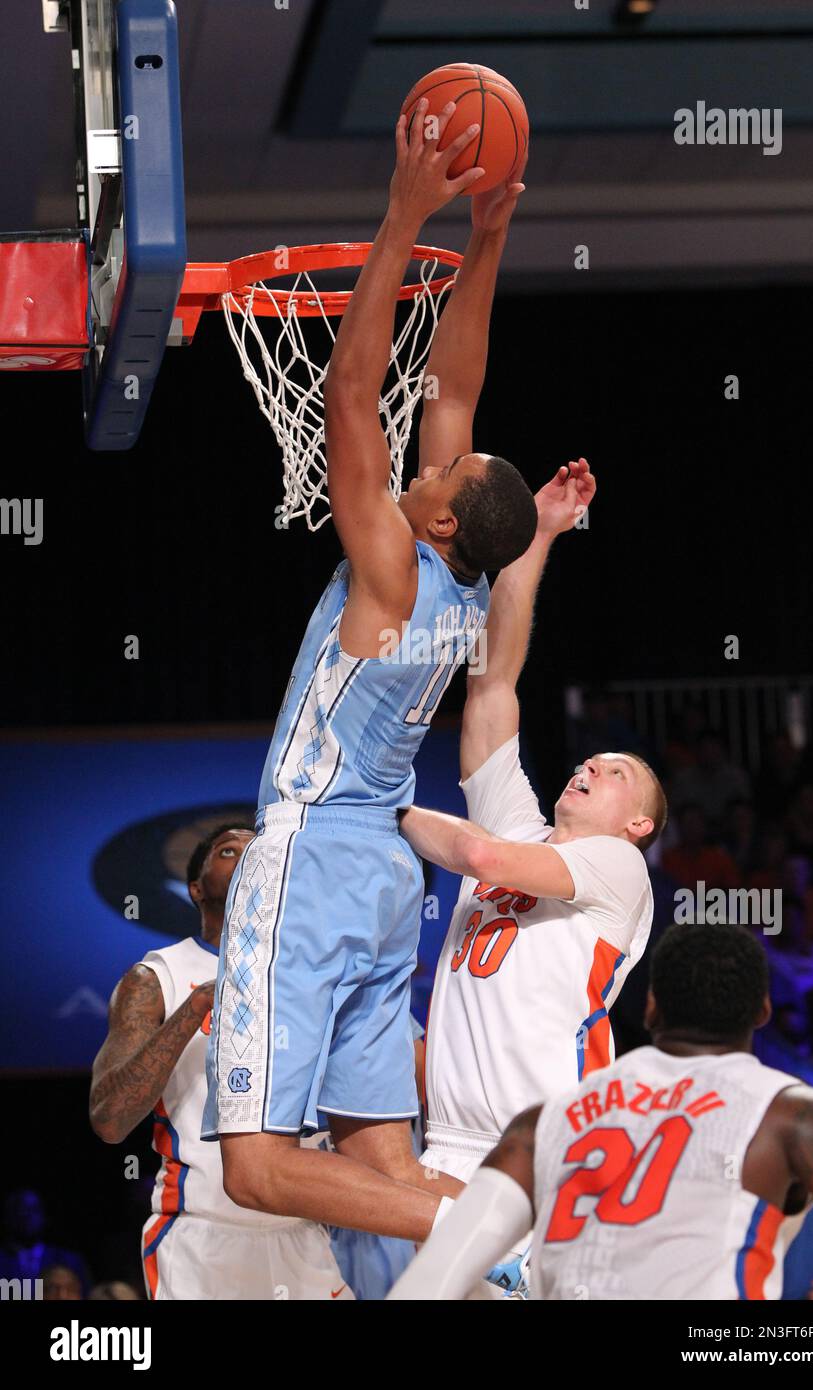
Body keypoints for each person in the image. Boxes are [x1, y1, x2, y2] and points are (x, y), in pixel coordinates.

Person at [204, 99, 538, 1243]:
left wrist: (405, 216)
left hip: (310, 856)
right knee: (377, 1160)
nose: (426, 465)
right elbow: (451, 387)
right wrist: (486, 235)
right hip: (385, 881)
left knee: (254, 1169)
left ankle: (504, 1244)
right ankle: (491, 1260)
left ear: (441, 524)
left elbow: (355, 393)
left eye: (441, 479)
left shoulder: (393, 573)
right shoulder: (457, 590)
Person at [396, 462, 662, 1203]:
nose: (588, 766)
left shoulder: (620, 867)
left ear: (638, 823)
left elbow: (477, 855)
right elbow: (493, 682)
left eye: (614, 773)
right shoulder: (525, 826)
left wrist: (379, 806)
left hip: (552, 1149)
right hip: (447, 1145)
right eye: (590, 760)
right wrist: (538, 536)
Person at [388, 924, 813, 1300]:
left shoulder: (546, 1121)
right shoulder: (790, 1115)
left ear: (652, 1007)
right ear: (763, 1011)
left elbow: (429, 1281)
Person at [90, 825, 352, 1300]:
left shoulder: (318, 976)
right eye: (229, 851)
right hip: (203, 1237)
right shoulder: (158, 976)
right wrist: (198, 1005)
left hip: (303, 1232)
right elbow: (110, 1118)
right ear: (196, 888)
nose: (247, 859)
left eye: (258, 851)